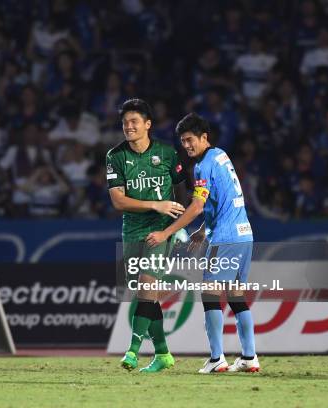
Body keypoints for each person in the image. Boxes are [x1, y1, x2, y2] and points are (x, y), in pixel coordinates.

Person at [146, 112, 259, 373]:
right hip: (244, 235)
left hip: (226, 238)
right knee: (236, 296)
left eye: (190, 140)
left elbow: (197, 206)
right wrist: (202, 230)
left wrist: (165, 233)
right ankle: (249, 357)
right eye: (183, 141)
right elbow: (221, 200)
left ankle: (217, 358)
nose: (186, 146)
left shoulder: (202, 166)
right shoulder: (221, 155)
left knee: (209, 295)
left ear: (204, 137)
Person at [106, 98, 187, 373]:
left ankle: (132, 351)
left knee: (147, 284)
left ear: (147, 125)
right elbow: (118, 201)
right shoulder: (115, 156)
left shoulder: (167, 153)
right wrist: (155, 203)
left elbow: (181, 191)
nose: (128, 127)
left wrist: (178, 225)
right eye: (125, 123)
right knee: (144, 293)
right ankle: (163, 353)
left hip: (160, 230)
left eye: (134, 122)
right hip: (132, 229)